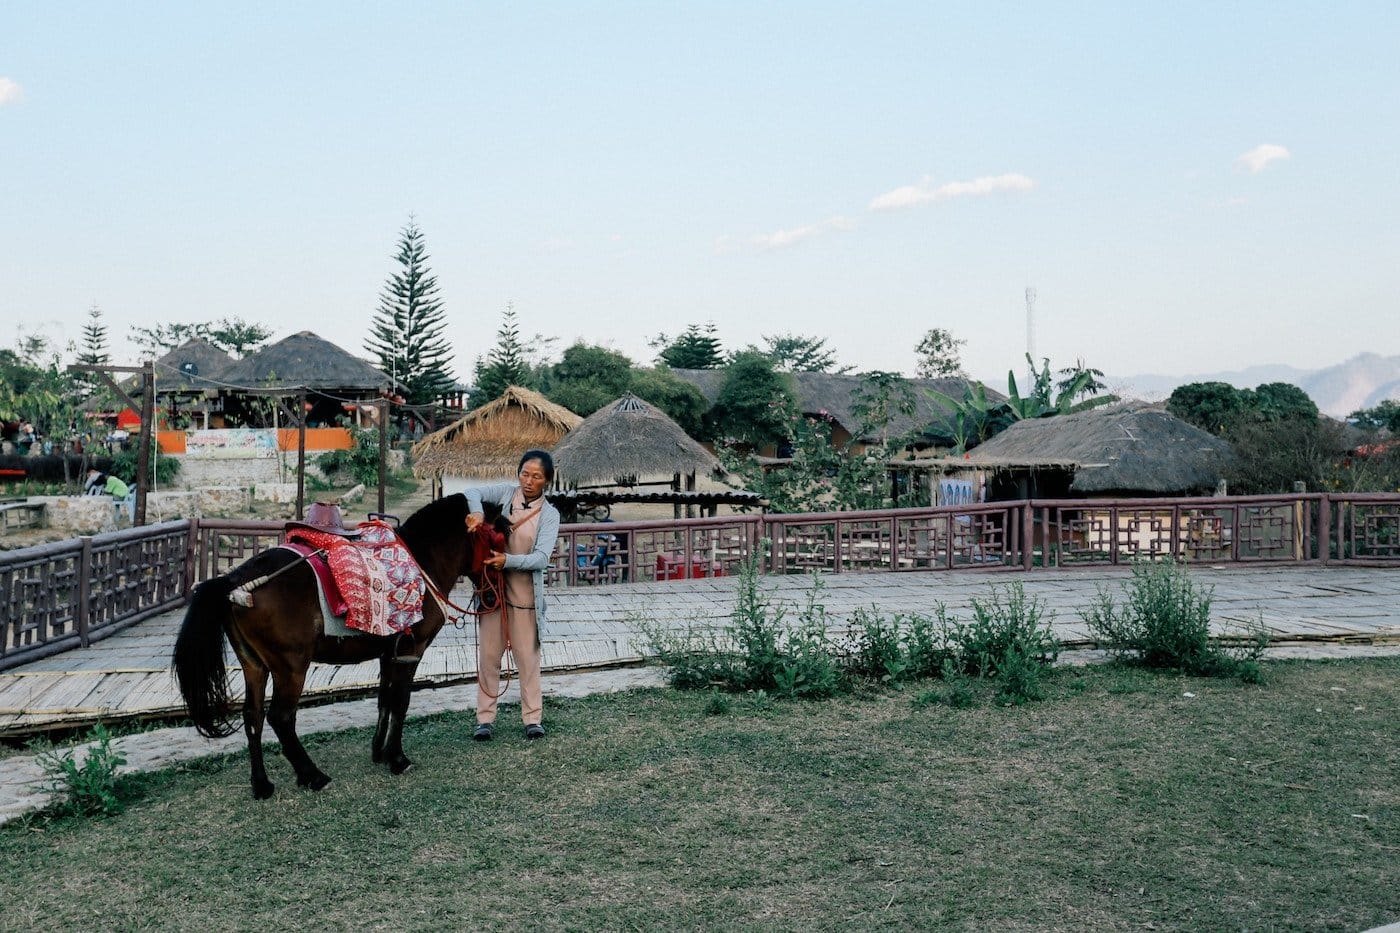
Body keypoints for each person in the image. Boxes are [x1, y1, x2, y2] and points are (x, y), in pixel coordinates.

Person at [464, 450, 561, 741]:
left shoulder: (550, 514)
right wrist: (478, 512)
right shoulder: (505, 495)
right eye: (524, 474)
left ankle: (533, 718)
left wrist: (509, 562)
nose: (528, 481)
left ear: (547, 481)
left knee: (527, 661)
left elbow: (542, 558)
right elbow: (471, 491)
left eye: (536, 476)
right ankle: (485, 719)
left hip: (525, 600)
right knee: (489, 658)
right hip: (492, 595)